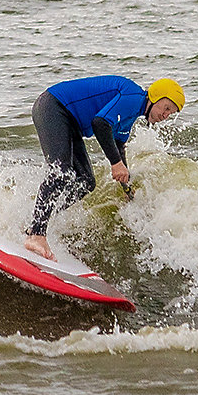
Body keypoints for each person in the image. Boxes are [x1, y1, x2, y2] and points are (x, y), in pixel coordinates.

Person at [23, 75, 185, 261]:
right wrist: (115, 164)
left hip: (69, 122)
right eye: (165, 108)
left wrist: (128, 189)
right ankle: (36, 234)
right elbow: (100, 124)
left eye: (170, 113)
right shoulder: (133, 97)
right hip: (53, 107)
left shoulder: (131, 114)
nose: (165, 115)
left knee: (86, 182)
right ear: (155, 96)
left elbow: (118, 146)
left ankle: (35, 223)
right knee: (62, 172)